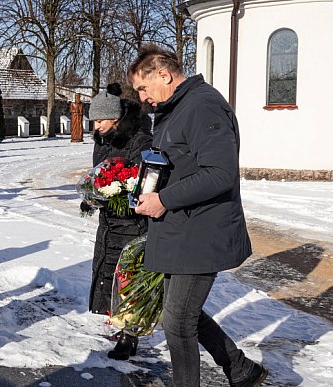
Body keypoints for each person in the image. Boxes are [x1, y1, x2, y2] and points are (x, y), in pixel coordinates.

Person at [129, 44, 268, 387]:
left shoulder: (202, 105)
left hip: (201, 229)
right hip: (180, 227)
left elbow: (221, 173)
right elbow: (177, 161)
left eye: (143, 88)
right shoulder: (176, 108)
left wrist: (163, 198)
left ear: (164, 74)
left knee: (177, 322)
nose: (143, 98)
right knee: (182, 312)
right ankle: (240, 369)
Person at [85, 83, 152, 360]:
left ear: (115, 117)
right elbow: (98, 172)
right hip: (109, 222)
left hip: (132, 222)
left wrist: (119, 191)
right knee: (109, 273)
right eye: (94, 121)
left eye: (101, 120)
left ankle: (130, 336)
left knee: (129, 278)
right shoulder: (103, 139)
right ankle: (118, 323)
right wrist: (92, 192)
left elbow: (144, 181)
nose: (96, 126)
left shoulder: (139, 140)